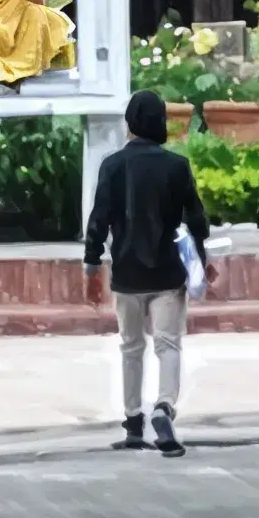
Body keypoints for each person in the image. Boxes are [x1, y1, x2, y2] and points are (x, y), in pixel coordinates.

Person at [83, 89, 210, 454]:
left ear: (130, 125)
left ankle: (133, 423)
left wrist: (92, 266)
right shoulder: (176, 166)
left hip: (126, 272)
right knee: (168, 345)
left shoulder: (112, 166)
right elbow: (196, 220)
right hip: (168, 274)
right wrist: (201, 261)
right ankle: (164, 407)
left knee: (131, 348)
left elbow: (99, 220)